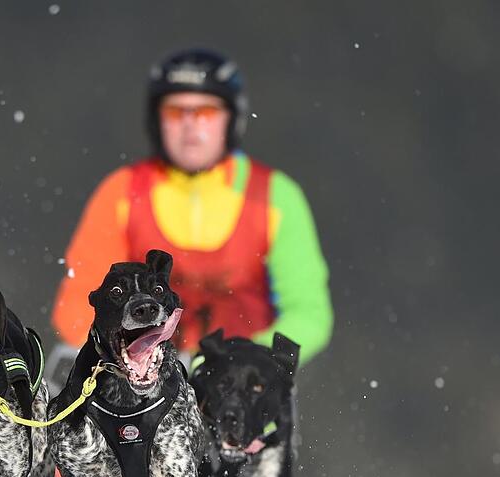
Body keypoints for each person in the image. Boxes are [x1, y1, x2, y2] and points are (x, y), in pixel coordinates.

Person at [50, 48, 333, 372]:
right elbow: (79, 303)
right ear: (157, 121)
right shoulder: (121, 193)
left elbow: (309, 314)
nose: (189, 125)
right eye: (175, 112)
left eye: (206, 112)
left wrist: (253, 359)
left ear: (233, 119)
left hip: (239, 389)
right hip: (136, 374)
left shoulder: (276, 196)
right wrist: (132, 352)